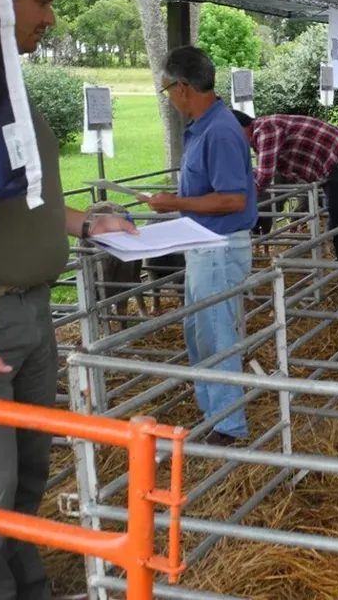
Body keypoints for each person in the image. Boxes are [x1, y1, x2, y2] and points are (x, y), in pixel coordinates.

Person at [0, 0, 138, 599]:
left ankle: (29, 586)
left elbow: (31, 197)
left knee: (28, 475)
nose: (49, 17)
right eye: (41, 0)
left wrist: (87, 222)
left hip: (32, 311)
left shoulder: (9, 85)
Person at [143, 46, 258, 447]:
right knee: (201, 333)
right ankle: (215, 413)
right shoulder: (205, 127)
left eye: (167, 90)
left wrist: (173, 203)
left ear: (183, 87)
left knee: (217, 334)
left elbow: (233, 199)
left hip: (218, 247)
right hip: (204, 245)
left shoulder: (219, 131)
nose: (169, 99)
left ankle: (228, 424)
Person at [232, 112, 338, 295]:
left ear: (239, 128)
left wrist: (237, 201)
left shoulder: (265, 130)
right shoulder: (265, 130)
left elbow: (264, 175)